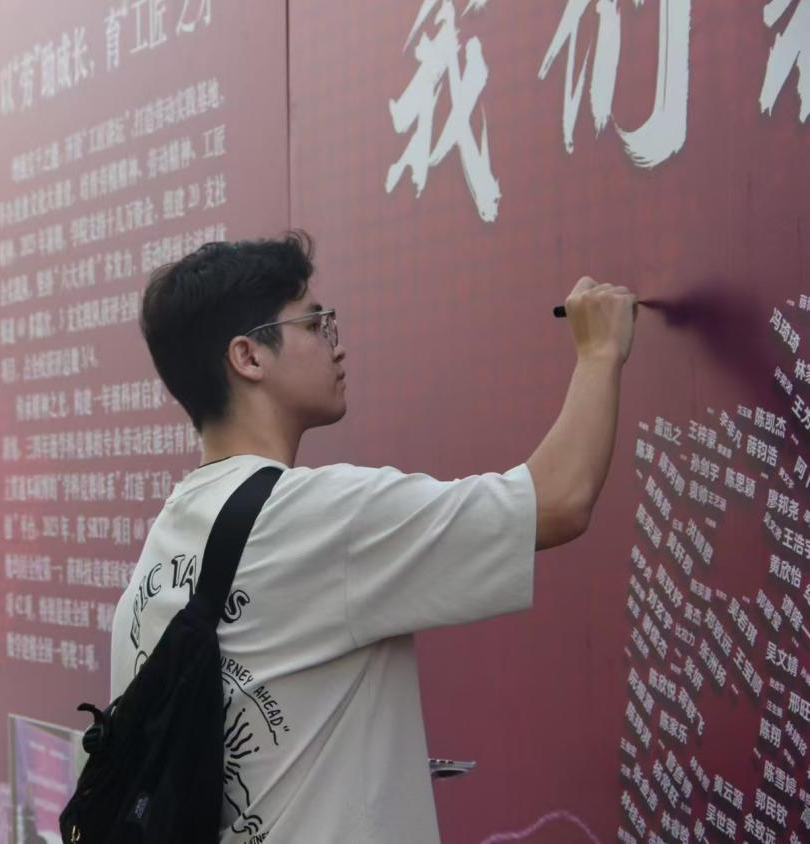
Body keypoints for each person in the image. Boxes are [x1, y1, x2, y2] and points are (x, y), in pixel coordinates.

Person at [108, 232, 637, 843]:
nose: (337, 344)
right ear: (248, 357)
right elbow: (559, 500)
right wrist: (600, 352)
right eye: (314, 323)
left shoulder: (165, 543)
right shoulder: (316, 516)